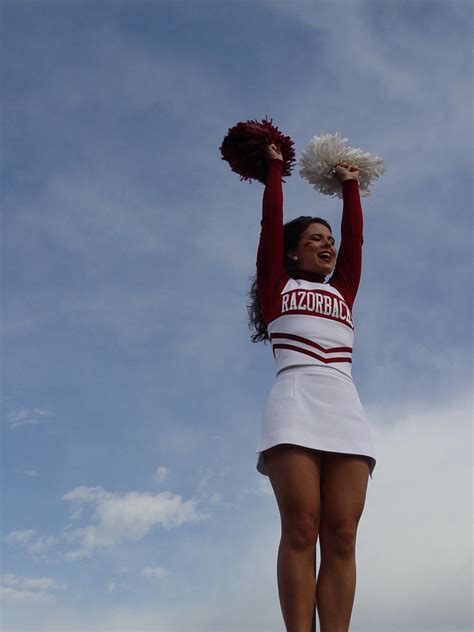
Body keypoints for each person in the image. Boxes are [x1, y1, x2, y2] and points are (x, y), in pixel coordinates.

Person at [249, 143, 377, 632]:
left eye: (330, 239)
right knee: (302, 528)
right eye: (315, 238)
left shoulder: (344, 289)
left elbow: (356, 238)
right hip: (295, 400)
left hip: (344, 403)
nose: (328, 245)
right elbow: (268, 226)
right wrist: (275, 168)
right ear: (292, 250)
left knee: (342, 534)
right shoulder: (276, 285)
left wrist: (350, 185)